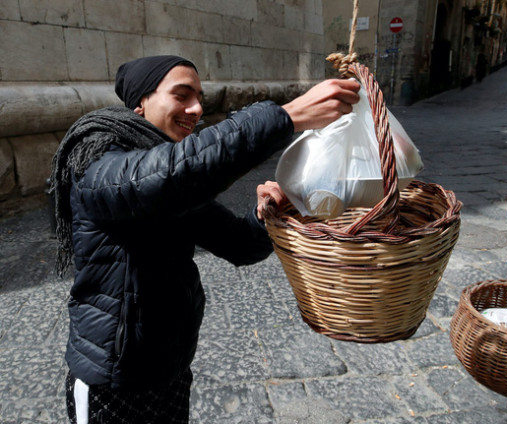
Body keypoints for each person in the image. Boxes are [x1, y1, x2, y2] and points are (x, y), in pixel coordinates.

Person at [50, 55, 360, 424]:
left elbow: (242, 244)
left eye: (199, 97)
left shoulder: (175, 186)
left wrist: (265, 215)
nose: (197, 108)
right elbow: (169, 174)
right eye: (182, 95)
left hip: (170, 368)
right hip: (113, 381)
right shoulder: (99, 158)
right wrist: (286, 116)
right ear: (140, 105)